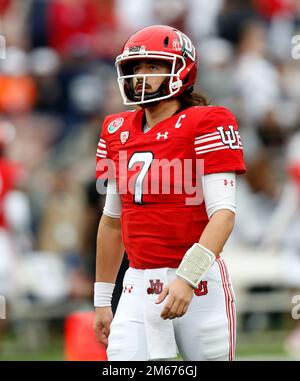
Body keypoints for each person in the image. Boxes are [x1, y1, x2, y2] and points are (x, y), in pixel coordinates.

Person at [93, 25, 246, 361]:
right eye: (136, 69)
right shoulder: (115, 130)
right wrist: (103, 299)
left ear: (180, 69)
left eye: (152, 67)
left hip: (199, 282)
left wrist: (187, 278)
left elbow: (223, 213)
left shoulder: (207, 121)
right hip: (137, 284)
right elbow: (111, 222)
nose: (141, 77)